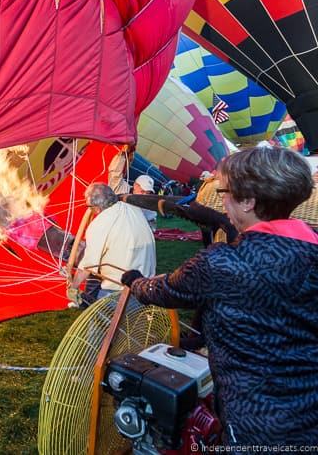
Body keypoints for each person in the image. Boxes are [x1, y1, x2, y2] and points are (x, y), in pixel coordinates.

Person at [122, 146, 318, 446]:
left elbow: (165, 291)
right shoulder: (311, 250)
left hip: (256, 420)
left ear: (249, 201)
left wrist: (135, 281)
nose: (222, 200)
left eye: (225, 192)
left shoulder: (222, 263)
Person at [68, 183, 156, 305]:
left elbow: (89, 265)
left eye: (89, 206)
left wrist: (74, 286)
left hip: (119, 289)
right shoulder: (133, 209)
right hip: (147, 284)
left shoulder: (99, 224)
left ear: (96, 207)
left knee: (99, 321)